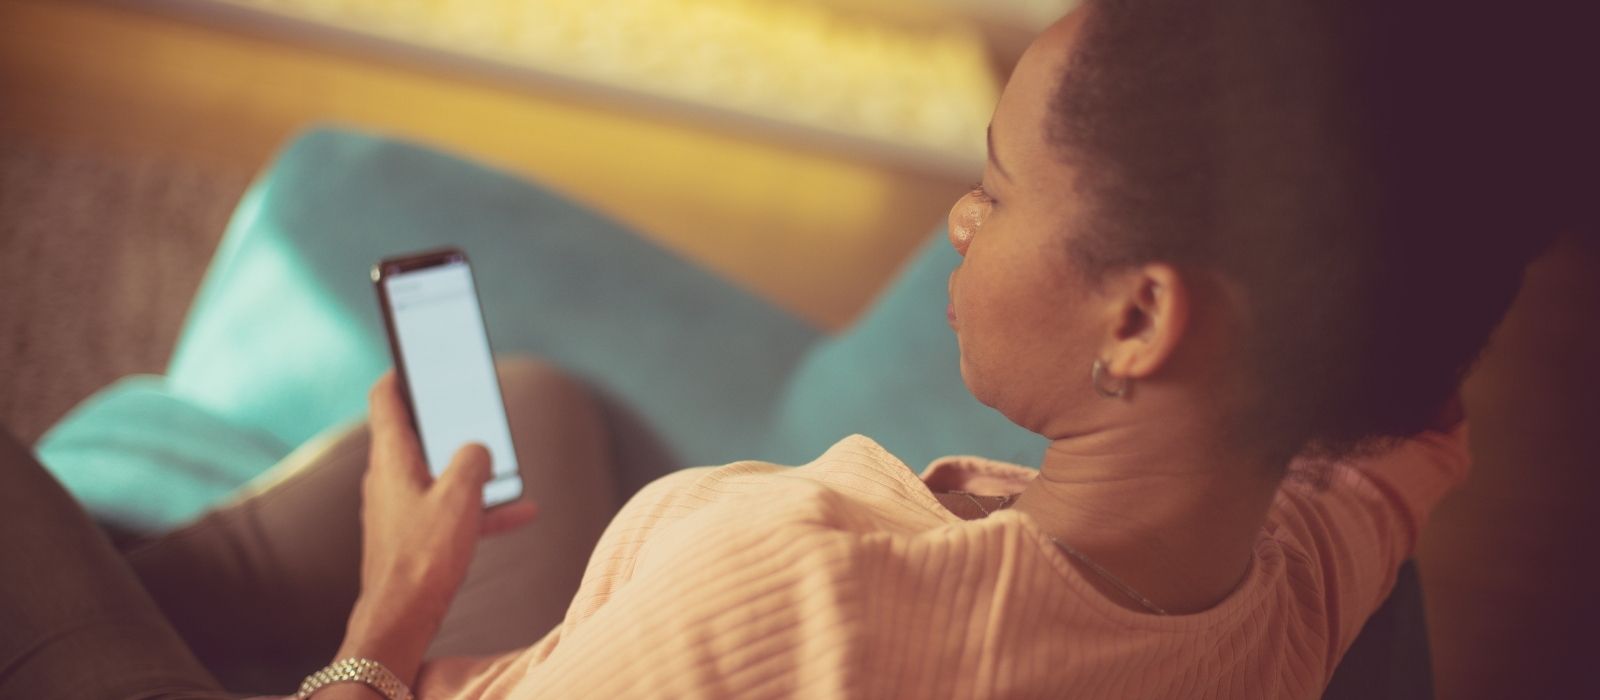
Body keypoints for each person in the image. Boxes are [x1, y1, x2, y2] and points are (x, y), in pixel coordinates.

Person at [0, 1, 1566, 698]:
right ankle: (150, 565)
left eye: (997, 192)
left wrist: (386, 619)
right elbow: (1408, 428)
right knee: (532, 412)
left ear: (1143, 319)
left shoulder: (789, 593)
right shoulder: (1298, 591)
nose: (959, 223)